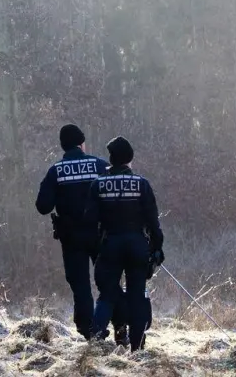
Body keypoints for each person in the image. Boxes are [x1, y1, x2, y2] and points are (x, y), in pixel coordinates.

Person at [35, 124, 115, 340]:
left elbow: (42, 206)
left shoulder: (56, 171)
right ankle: (117, 325)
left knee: (80, 285)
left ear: (63, 145)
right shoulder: (100, 165)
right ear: (81, 144)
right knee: (109, 282)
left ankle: (89, 331)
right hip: (101, 235)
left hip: (71, 238)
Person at [90, 136, 163, 352]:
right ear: (129, 160)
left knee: (107, 294)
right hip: (137, 246)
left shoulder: (98, 185)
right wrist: (157, 248)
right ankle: (137, 348)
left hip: (110, 245)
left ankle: (95, 341)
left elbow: (90, 221)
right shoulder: (142, 184)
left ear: (111, 160)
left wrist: (97, 249)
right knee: (137, 296)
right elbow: (153, 222)